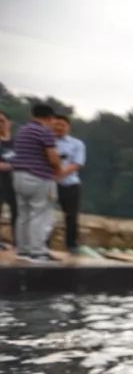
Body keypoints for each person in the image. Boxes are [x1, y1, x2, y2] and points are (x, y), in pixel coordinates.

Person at [10, 104, 62, 262]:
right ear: (50, 118)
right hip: (39, 176)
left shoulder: (22, 130)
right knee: (40, 215)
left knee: (23, 214)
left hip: (19, 175)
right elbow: (52, 156)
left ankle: (23, 249)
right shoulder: (44, 132)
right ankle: (38, 251)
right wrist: (58, 168)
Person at [52, 115, 86, 253]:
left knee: (71, 215)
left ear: (68, 127)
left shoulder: (77, 144)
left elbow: (77, 163)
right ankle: (43, 243)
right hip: (49, 183)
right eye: (56, 124)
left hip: (70, 184)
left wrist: (60, 174)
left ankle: (71, 244)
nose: (59, 127)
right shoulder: (47, 142)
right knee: (44, 214)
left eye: (62, 125)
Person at [0, 111, 17, 248]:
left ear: (9, 123)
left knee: (17, 210)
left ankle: (19, 241)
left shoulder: (18, 142)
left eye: (2, 121)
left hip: (15, 180)